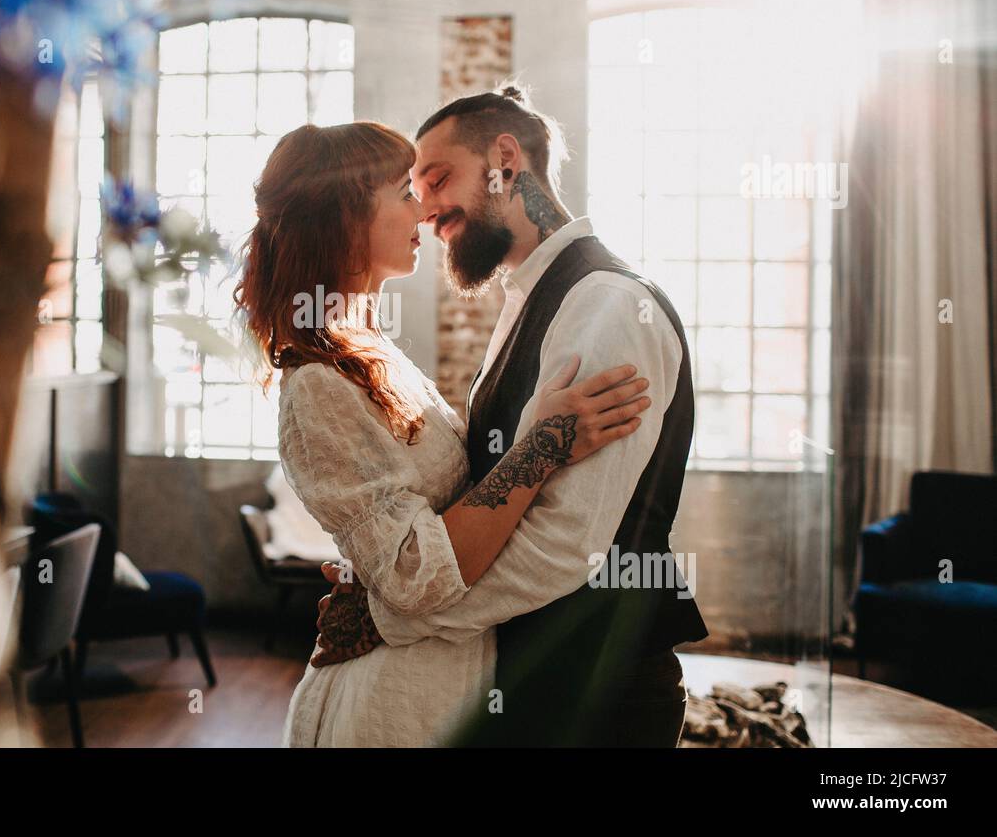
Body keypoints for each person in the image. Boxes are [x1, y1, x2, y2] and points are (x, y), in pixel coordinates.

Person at [309, 86, 710, 746]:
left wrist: (391, 616)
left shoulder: (607, 305)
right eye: (414, 189)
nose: (428, 208)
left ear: (504, 159)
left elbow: (564, 545)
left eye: (437, 179)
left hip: (599, 694)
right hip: (536, 678)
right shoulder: (527, 299)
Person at [234, 120, 650, 746]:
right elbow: (414, 576)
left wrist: (370, 588)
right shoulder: (318, 384)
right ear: (345, 217)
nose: (423, 210)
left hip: (440, 681)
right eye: (404, 191)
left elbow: (410, 549)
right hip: (389, 706)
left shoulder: (369, 351)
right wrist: (543, 447)